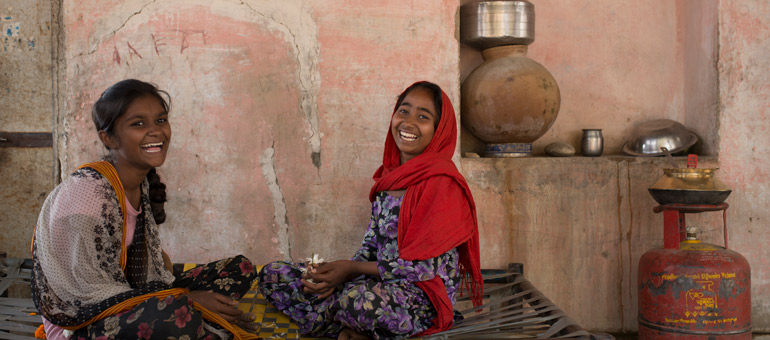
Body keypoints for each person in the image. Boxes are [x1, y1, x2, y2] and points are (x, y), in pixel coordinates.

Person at [30, 79, 259, 340]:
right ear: (108, 137)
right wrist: (186, 300)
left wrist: (174, 289)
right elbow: (82, 297)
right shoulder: (86, 195)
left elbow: (147, 265)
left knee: (240, 268)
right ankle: (196, 322)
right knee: (177, 313)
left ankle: (194, 319)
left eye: (160, 120)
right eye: (138, 124)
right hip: (82, 323)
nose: (156, 131)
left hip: (128, 295)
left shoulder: (139, 184)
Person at [258, 81, 483, 340]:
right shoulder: (388, 181)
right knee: (274, 275)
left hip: (418, 297)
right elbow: (369, 247)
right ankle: (350, 326)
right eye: (403, 111)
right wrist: (333, 275)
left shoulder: (443, 185)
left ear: (439, 130)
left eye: (423, 117)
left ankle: (339, 321)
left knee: (359, 301)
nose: (408, 122)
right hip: (375, 285)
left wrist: (351, 269)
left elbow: (424, 269)